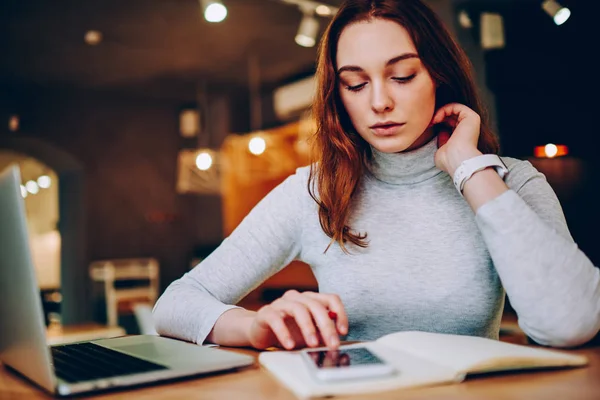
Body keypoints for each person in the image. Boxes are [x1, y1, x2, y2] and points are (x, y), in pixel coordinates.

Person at [153, 0, 600, 351]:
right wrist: (256, 327)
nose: (380, 101)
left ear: (438, 76)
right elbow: (174, 305)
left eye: (402, 76)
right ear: (338, 94)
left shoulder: (510, 183)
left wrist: (469, 167)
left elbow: (571, 322)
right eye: (356, 83)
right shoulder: (313, 191)